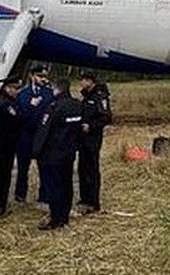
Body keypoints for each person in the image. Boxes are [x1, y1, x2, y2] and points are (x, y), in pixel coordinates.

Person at [32, 77, 86, 230]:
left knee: (55, 186)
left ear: (57, 89)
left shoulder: (54, 107)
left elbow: (44, 130)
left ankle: (56, 219)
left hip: (53, 154)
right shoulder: (77, 105)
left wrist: (36, 151)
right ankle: (64, 217)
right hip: (68, 153)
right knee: (67, 184)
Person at [0, 74, 24, 218]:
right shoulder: (4, 104)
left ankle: (0, 206)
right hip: (4, 142)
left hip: (8, 142)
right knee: (0, 175)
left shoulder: (9, 101)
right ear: (7, 88)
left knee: (4, 175)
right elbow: (17, 119)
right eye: (15, 88)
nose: (17, 91)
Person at [14, 65, 53, 203]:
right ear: (32, 76)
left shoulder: (49, 93)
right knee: (23, 168)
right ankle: (20, 195)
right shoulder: (23, 93)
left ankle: (44, 196)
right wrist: (31, 106)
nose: (43, 79)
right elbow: (20, 114)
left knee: (44, 168)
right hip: (25, 136)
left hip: (42, 136)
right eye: (40, 76)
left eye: (44, 77)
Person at [77, 72, 112, 214]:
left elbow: (106, 118)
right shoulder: (86, 96)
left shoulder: (99, 96)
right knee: (82, 168)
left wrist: (91, 126)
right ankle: (84, 197)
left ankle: (93, 201)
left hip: (93, 138)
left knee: (91, 169)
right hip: (83, 139)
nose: (82, 83)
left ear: (90, 81)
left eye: (84, 81)